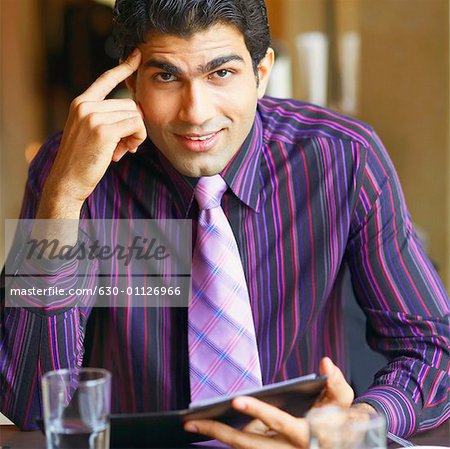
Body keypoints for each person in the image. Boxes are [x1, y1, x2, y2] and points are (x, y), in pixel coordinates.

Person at [1, 0, 449, 446]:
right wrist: (62, 198)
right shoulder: (79, 171)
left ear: (262, 73)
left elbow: (435, 349)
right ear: (131, 82)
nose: (195, 113)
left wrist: (362, 421)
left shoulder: (343, 158)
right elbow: (33, 404)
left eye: (222, 73)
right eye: (166, 76)